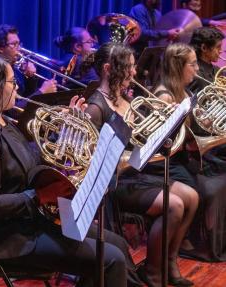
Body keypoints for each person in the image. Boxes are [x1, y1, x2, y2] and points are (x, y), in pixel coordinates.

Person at [0, 52, 130, 287]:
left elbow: (34, 163)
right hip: (9, 237)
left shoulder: (4, 122)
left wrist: (68, 132)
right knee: (111, 259)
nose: (17, 87)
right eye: (13, 82)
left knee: (118, 244)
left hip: (33, 220)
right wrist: (38, 197)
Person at [84, 42, 199, 287]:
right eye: (129, 68)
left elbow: (144, 142)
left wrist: (168, 121)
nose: (134, 74)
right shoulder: (96, 107)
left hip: (136, 174)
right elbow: (92, 162)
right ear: (108, 69)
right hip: (115, 184)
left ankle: (169, 262)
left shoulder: (127, 99)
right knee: (175, 205)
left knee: (191, 196)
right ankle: (153, 272)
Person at [180, 26, 226, 262]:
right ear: (203, 48)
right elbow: (199, 117)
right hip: (204, 141)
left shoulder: (217, 72)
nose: (220, 53)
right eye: (216, 48)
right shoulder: (196, 78)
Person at [0, 24, 57, 99]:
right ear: (0, 48)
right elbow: (11, 108)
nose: (19, 49)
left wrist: (31, 78)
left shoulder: (12, 67)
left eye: (19, 44)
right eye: (14, 44)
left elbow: (24, 98)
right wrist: (42, 92)